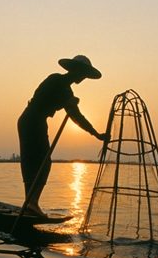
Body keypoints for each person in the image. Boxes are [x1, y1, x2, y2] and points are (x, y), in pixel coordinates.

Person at [17, 55, 106, 217]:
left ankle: (30, 203)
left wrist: (95, 134)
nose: (83, 78)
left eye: (86, 75)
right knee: (39, 161)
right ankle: (31, 202)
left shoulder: (67, 91)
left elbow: (76, 117)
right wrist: (68, 101)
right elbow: (51, 97)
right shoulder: (56, 80)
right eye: (83, 73)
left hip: (37, 121)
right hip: (30, 119)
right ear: (74, 70)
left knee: (40, 161)